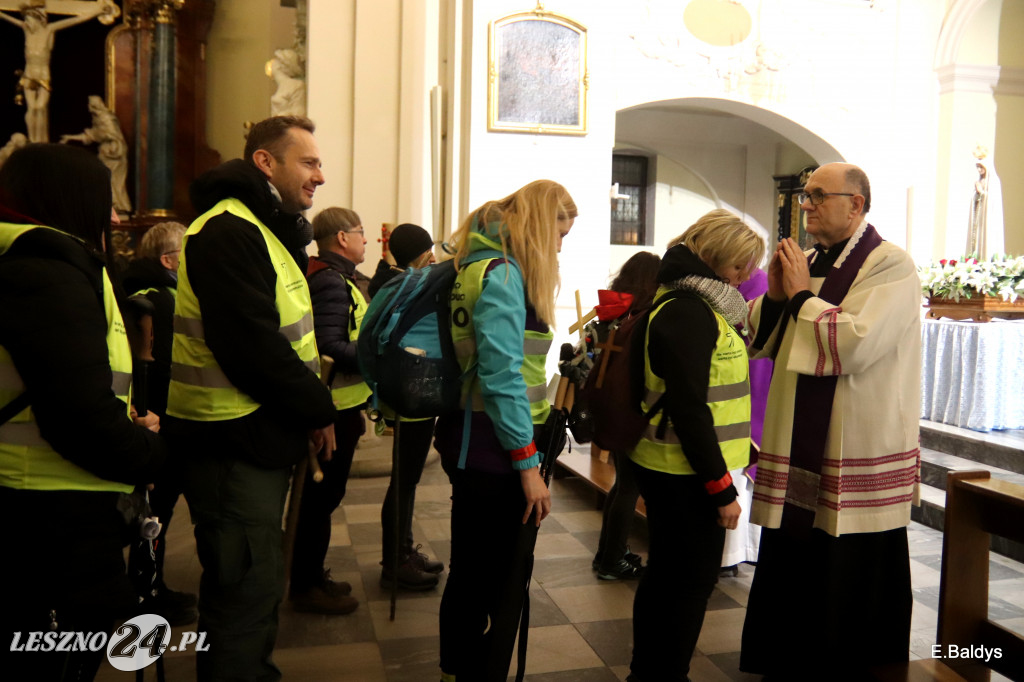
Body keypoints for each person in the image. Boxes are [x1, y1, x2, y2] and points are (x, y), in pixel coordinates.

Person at [164, 115, 337, 681]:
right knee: (242, 593)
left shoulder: (262, 228)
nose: (320, 175)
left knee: (255, 587)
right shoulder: (229, 229)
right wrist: (316, 407)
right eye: (308, 162)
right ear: (266, 162)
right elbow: (251, 346)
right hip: (229, 440)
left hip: (253, 435)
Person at [739, 163, 922, 679]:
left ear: (857, 204)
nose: (807, 205)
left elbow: (854, 342)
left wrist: (797, 296)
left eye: (818, 195)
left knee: (848, 559)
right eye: (805, 196)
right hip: (800, 434)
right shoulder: (811, 261)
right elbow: (762, 339)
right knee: (797, 551)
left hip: (857, 442)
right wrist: (777, 296)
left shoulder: (890, 265)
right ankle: (788, 657)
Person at [0, 143, 165, 681]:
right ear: (71, 201)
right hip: (49, 506)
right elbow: (74, 414)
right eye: (103, 201)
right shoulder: (47, 272)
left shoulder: (32, 264)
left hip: (44, 498)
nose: (114, 216)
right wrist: (145, 451)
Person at [435, 179, 576, 680]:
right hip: (493, 447)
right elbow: (501, 375)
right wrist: (527, 465)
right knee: (490, 574)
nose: (562, 243)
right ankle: (477, 670)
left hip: (472, 437)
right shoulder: (503, 274)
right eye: (561, 229)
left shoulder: (474, 263)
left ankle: (462, 667)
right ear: (539, 224)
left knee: (473, 570)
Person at [626, 209, 764, 682]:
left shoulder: (699, 303)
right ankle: (664, 675)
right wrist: (721, 487)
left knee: (669, 577)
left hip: (683, 470)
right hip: (684, 475)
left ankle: (650, 673)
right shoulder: (687, 309)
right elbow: (689, 409)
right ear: (715, 258)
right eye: (740, 265)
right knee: (686, 585)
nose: (745, 277)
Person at [287, 207, 367, 615]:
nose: (366, 240)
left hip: (342, 407)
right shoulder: (333, 283)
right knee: (319, 500)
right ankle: (305, 584)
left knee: (324, 498)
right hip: (331, 409)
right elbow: (331, 348)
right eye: (360, 232)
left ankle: (312, 576)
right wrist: (378, 357)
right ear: (341, 238)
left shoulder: (336, 278)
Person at [121, 221, 198, 625]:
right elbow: (167, 366)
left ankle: (145, 587)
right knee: (156, 512)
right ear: (169, 260)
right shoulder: (163, 301)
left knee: (152, 510)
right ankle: (147, 594)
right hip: (161, 419)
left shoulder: (134, 292)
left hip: (144, 417)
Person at [366, 222, 446, 590]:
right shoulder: (417, 284)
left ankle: (402, 551)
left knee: (406, 480)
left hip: (401, 386)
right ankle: (395, 561)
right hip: (413, 392)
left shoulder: (392, 281)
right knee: (404, 481)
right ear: (426, 252)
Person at [590, 251, 660, 581]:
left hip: (607, 403)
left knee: (622, 484)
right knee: (629, 487)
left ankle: (608, 551)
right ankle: (610, 560)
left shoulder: (611, 310)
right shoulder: (642, 315)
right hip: (629, 406)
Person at [0, 1, 120, 142]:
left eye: (29, 19)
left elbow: (75, 20)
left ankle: (42, 141)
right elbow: (9, 19)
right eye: (25, 20)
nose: (26, 22)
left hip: (43, 75)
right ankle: (33, 142)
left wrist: (96, 11)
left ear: (38, 19)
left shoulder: (49, 30)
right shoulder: (27, 30)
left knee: (40, 107)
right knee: (31, 109)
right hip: (29, 74)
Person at [720, 266, 772, 575]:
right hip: (740, 402)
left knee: (740, 475)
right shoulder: (744, 290)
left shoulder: (756, 288)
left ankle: (735, 552)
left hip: (748, 399)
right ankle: (736, 552)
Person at [60, 95, 132, 214]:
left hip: (114, 155)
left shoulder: (106, 119)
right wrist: (70, 137)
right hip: (106, 154)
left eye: (89, 104)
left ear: (95, 106)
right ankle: (109, 205)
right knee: (103, 180)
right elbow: (91, 135)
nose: (88, 107)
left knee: (111, 180)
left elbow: (106, 134)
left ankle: (117, 205)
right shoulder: (98, 120)